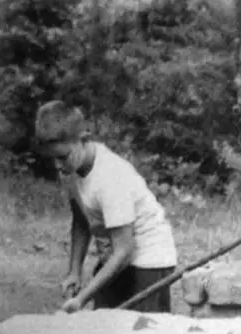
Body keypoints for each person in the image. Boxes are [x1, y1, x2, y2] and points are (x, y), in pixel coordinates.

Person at [32, 100, 178, 313]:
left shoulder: (110, 177)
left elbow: (125, 250)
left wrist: (82, 298)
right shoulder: (70, 169)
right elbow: (81, 221)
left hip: (149, 258)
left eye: (62, 157)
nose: (57, 165)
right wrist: (74, 271)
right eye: (52, 158)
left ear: (83, 139)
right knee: (105, 331)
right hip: (116, 255)